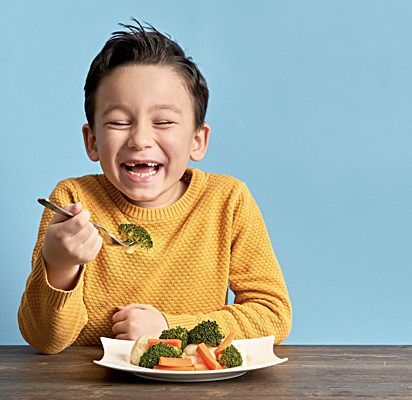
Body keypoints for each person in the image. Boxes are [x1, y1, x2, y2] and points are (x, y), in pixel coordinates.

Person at [18, 20, 292, 355]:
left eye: (162, 122)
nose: (140, 140)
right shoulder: (73, 201)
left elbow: (273, 315)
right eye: (119, 122)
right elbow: (45, 341)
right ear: (92, 142)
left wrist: (169, 328)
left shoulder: (228, 201)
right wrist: (59, 265)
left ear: (197, 140)